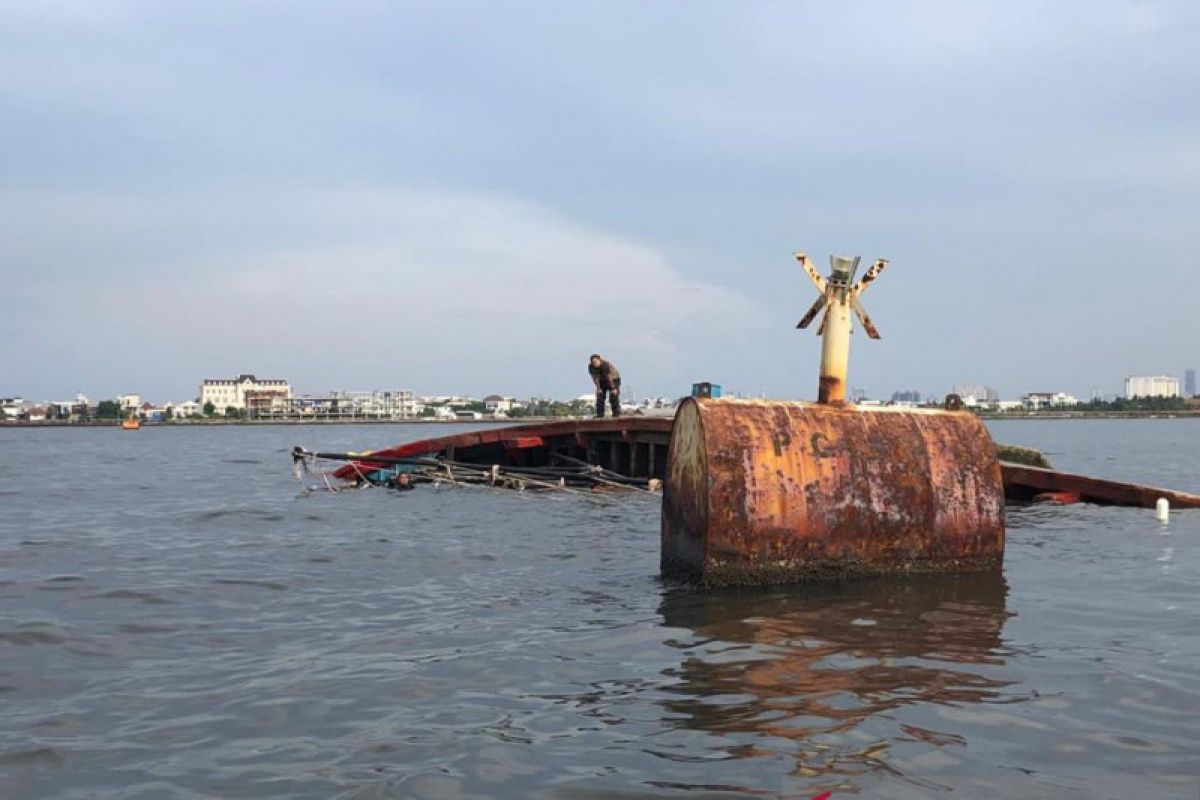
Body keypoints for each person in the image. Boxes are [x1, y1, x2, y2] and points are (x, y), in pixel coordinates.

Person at [588, 354, 621, 418]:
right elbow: (595, 378)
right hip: (602, 380)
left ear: (600, 360)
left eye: (596, 362)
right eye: (593, 362)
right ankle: (600, 415)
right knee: (600, 396)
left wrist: (613, 388)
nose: (595, 364)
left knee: (613, 396)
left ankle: (616, 414)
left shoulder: (605, 364)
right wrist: (598, 388)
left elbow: (608, 377)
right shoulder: (591, 367)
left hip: (613, 379)